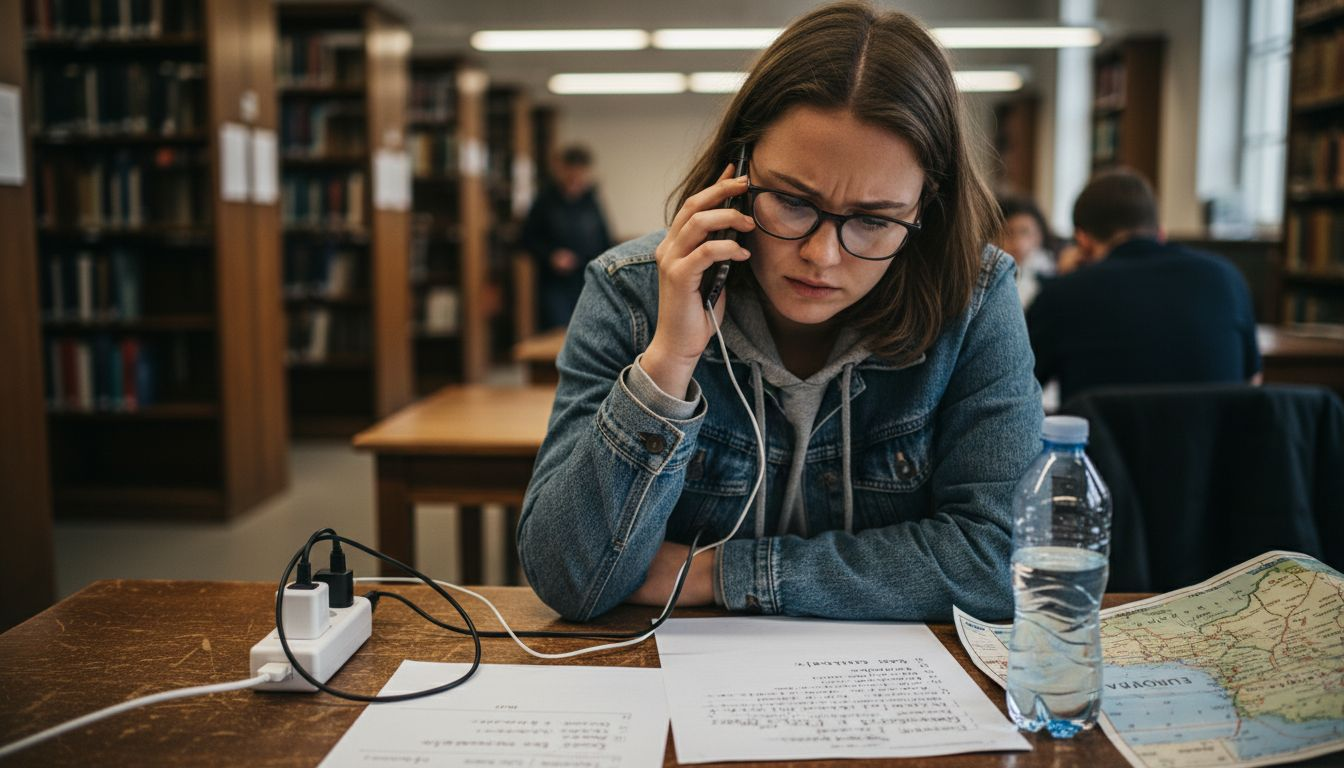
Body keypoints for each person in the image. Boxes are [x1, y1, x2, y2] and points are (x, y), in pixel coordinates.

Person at [517, 2, 1042, 623]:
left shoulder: (972, 298)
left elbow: (1007, 565)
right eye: (793, 201)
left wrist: (718, 572)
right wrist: (668, 363)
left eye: (873, 220)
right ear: (736, 172)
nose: (821, 256)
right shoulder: (629, 291)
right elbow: (570, 580)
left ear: (925, 210)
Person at [1026, 169, 1262, 406]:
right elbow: (1252, 381)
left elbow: (1019, 387)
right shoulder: (1226, 277)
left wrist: (1064, 280)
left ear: (1083, 240)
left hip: (1105, 442)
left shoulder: (1063, 294)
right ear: (1160, 233)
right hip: (1216, 443)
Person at [519, 144, 614, 330]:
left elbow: (604, 238)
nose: (576, 181)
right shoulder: (545, 200)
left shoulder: (591, 200)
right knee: (558, 332)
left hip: (587, 278)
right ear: (563, 171)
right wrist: (551, 255)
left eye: (581, 175)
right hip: (555, 284)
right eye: (572, 175)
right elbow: (526, 239)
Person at [996, 195, 1057, 308]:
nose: (1018, 244)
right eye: (1008, 233)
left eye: (1025, 232)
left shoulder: (1055, 273)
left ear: (1040, 235)